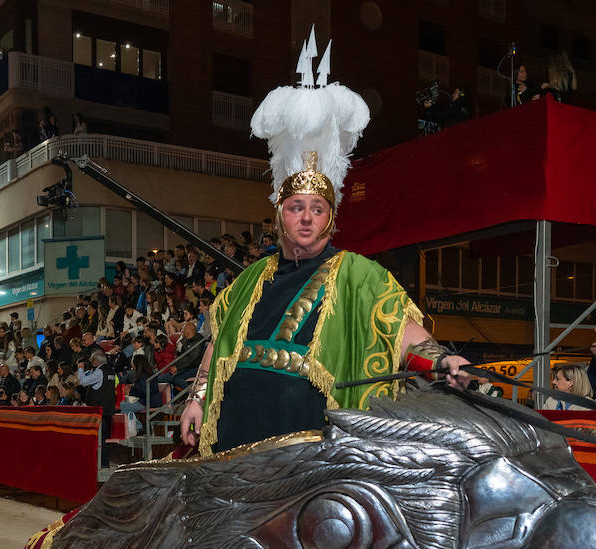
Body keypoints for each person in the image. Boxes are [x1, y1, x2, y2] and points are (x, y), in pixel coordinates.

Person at [179, 55, 470, 455]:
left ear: (330, 219)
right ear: (279, 214)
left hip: (309, 445)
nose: (306, 218)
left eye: (317, 209)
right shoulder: (251, 278)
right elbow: (219, 345)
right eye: (296, 207)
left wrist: (441, 361)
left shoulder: (357, 274)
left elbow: (400, 331)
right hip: (236, 435)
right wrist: (196, 399)